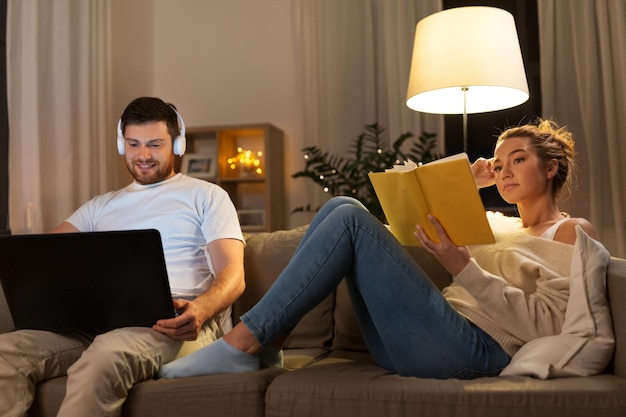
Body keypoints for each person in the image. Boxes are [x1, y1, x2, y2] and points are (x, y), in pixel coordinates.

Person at [159, 118, 599, 380]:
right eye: (499, 163)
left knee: (350, 217)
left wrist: (464, 269)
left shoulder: (570, 232)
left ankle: (240, 344)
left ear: (552, 167)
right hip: (421, 341)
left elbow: (548, 325)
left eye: (518, 159)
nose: (505, 171)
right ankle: (266, 343)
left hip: (476, 352)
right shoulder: (495, 223)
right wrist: (470, 178)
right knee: (342, 204)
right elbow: (421, 196)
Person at [0, 97, 246, 417]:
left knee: (105, 355)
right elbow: (39, 256)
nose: (143, 155)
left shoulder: (208, 196)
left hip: (172, 324)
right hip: (95, 323)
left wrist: (200, 310)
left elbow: (234, 274)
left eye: (155, 144)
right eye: (133, 144)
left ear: (177, 144)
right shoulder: (100, 206)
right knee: (5, 354)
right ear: (122, 144)